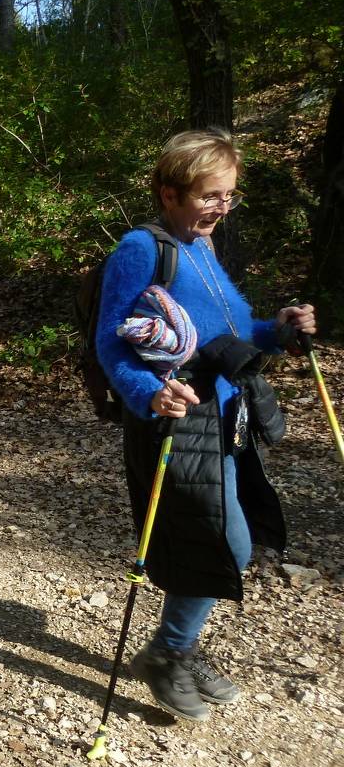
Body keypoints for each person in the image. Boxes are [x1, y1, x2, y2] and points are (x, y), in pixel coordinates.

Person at [95, 128, 316, 722]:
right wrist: (150, 393)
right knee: (225, 541)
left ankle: (175, 649)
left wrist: (282, 329)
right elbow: (109, 344)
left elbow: (235, 332)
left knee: (215, 540)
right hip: (175, 421)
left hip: (224, 419)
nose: (222, 207)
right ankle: (167, 653)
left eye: (229, 196)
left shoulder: (203, 247)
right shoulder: (142, 249)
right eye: (209, 196)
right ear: (170, 193)